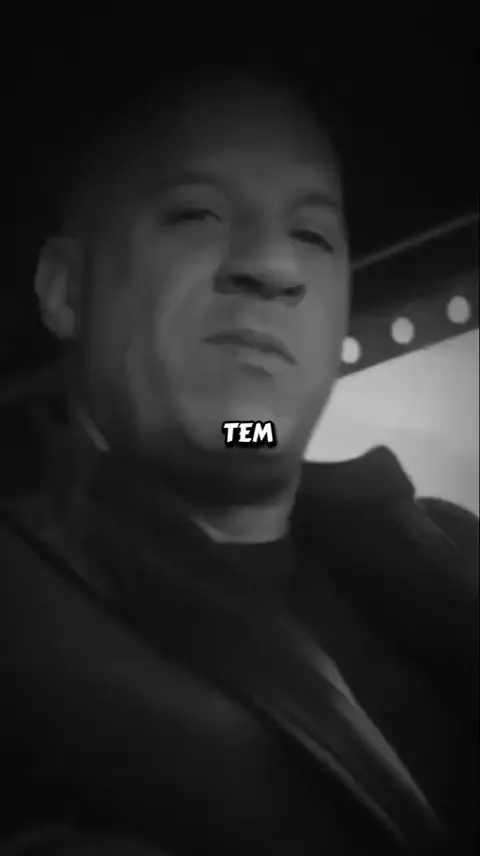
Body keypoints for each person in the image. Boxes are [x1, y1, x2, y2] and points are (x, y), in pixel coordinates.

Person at [1, 62, 477, 855]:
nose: (275, 266)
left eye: (313, 235)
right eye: (196, 213)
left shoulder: (451, 546)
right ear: (66, 290)